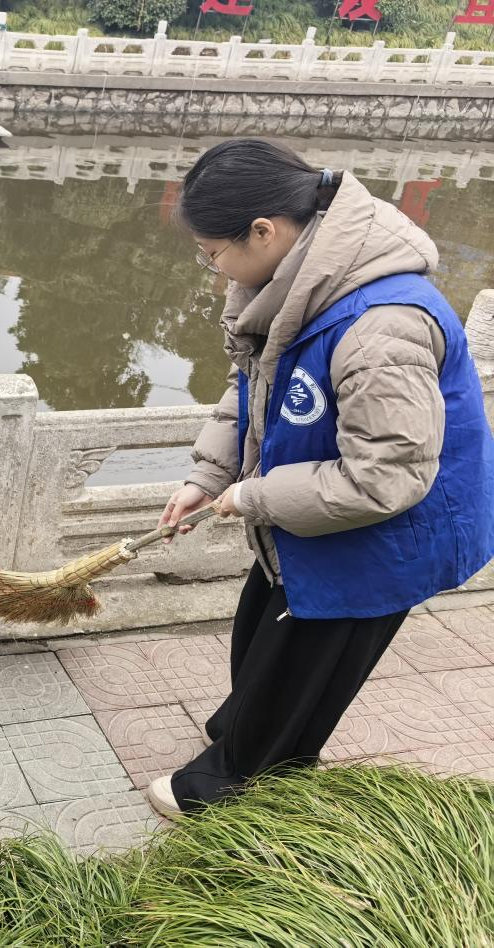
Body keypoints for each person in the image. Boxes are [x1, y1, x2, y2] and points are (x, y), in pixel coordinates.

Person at [151, 138, 494, 816]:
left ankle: (235, 784)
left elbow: (386, 478)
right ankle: (244, 723)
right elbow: (252, 383)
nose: (214, 272)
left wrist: (254, 495)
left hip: (385, 529)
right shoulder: (292, 281)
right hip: (315, 500)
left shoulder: (381, 329)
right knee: (263, 624)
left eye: (213, 254)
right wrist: (210, 474)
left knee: (305, 659)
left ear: (263, 231)